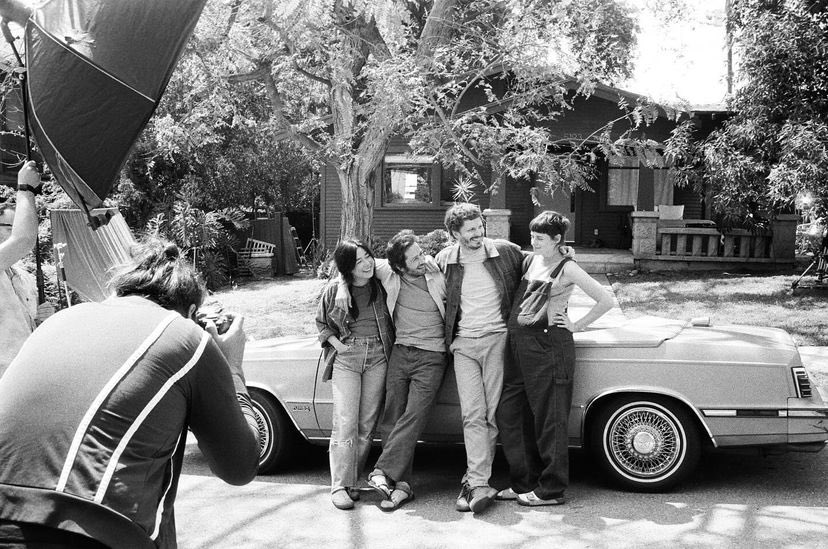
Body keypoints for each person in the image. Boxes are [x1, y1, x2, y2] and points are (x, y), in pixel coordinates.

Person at [0, 238, 260, 548]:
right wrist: (232, 369)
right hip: (91, 530)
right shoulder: (185, 336)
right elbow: (240, 467)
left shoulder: (58, 321)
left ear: (119, 291)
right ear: (191, 310)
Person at [496, 211, 613, 506]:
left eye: (539, 238)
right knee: (512, 415)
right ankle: (524, 482)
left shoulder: (567, 267)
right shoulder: (531, 259)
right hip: (518, 348)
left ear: (557, 240)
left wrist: (577, 324)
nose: (533, 241)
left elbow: (605, 299)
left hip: (549, 348)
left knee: (550, 420)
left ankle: (551, 489)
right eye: (532, 236)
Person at [336, 230, 447, 511]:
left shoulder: (436, 272)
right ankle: (401, 487)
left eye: (422, 253)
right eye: (415, 258)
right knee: (392, 416)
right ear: (399, 265)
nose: (422, 259)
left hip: (433, 354)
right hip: (400, 351)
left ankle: (382, 471)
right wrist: (340, 285)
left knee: (414, 414)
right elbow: (352, 265)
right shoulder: (388, 272)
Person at [434, 203, 524, 514]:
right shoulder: (445, 259)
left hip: (497, 340)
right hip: (463, 346)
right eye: (470, 229)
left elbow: (539, 271)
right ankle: (477, 482)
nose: (478, 233)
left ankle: (475, 481)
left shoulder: (505, 252)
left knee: (490, 414)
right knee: (472, 414)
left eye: (480, 226)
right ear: (454, 233)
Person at [316, 239, 394, 510]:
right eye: (358, 261)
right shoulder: (333, 291)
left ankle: (352, 482)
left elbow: (390, 262)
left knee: (367, 423)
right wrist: (338, 345)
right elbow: (321, 324)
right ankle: (339, 486)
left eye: (368, 257)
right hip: (347, 358)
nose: (367, 263)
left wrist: (341, 278)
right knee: (345, 421)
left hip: (378, 356)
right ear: (348, 267)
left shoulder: (380, 283)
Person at [0, 160, 54, 376]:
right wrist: (25, 188)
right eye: (8, 227)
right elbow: (23, 239)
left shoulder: (25, 277)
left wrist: (43, 320)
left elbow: (29, 326)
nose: (14, 231)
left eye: (17, 224)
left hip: (26, 372)